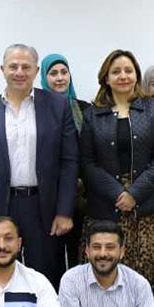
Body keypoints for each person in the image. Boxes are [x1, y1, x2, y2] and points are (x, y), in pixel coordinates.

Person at [0, 44, 78, 288]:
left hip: (44, 207)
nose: (19, 72)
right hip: (0, 206)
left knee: (46, 277)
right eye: (13, 66)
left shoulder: (58, 106)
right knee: (1, 277)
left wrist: (64, 211)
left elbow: (69, 161)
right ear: (2, 70)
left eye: (26, 67)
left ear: (36, 71)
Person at [80, 49, 154, 286]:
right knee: (104, 280)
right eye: (116, 72)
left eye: (128, 71)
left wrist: (134, 193)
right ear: (106, 78)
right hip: (105, 209)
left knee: (147, 281)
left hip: (147, 211)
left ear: (136, 76)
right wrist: (117, 193)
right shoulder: (92, 115)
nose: (123, 76)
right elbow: (87, 163)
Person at [41, 52, 89, 270]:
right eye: (53, 73)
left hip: (82, 198)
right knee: (51, 259)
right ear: (44, 77)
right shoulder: (36, 109)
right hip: (48, 197)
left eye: (64, 72)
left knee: (80, 257)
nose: (60, 78)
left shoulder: (85, 109)